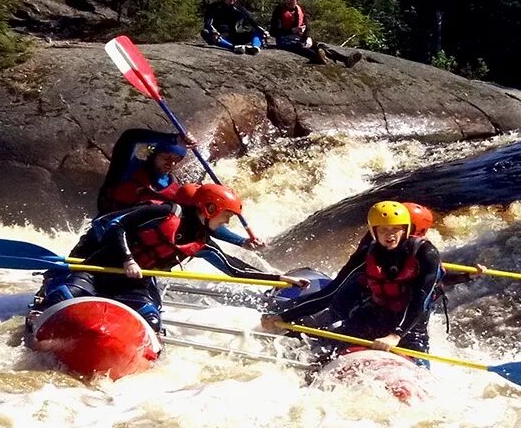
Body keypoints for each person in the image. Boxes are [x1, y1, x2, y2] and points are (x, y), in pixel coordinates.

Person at [32, 183, 298, 334]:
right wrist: (127, 259)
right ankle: (45, 310)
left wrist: (278, 278)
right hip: (99, 269)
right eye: (226, 215)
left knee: (151, 319)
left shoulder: (202, 243)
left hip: (134, 283)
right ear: (209, 209)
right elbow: (117, 227)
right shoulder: (165, 212)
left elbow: (234, 270)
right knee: (63, 296)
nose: (227, 221)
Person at [262, 200, 441, 364]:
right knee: (325, 355)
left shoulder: (425, 255)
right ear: (374, 231)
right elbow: (331, 293)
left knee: (419, 361)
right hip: (373, 318)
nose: (390, 235)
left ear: (406, 229)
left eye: (396, 229)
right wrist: (284, 316)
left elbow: (420, 301)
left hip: (409, 327)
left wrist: (396, 335)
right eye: (383, 230)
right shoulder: (368, 254)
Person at [97, 129, 264, 248]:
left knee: (197, 238)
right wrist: (174, 138)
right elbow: (129, 137)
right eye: (166, 157)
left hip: (135, 245)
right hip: (104, 233)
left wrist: (241, 241)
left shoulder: (175, 191)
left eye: (177, 159)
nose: (171, 163)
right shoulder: (127, 170)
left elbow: (206, 220)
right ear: (153, 154)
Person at [269, 0, 362, 67]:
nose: (288, 1)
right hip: (284, 39)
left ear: (297, 0)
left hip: (298, 37)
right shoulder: (279, 10)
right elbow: (274, 31)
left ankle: (345, 59)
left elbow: (307, 26)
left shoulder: (300, 10)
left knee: (318, 45)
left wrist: (307, 36)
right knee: (299, 46)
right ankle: (317, 57)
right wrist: (291, 30)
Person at [201, 0, 269, 55]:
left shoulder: (240, 9)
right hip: (221, 36)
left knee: (257, 31)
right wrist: (214, 31)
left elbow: (253, 22)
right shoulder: (214, 7)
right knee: (205, 32)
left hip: (236, 35)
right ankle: (234, 47)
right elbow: (208, 23)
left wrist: (263, 31)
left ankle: (255, 48)